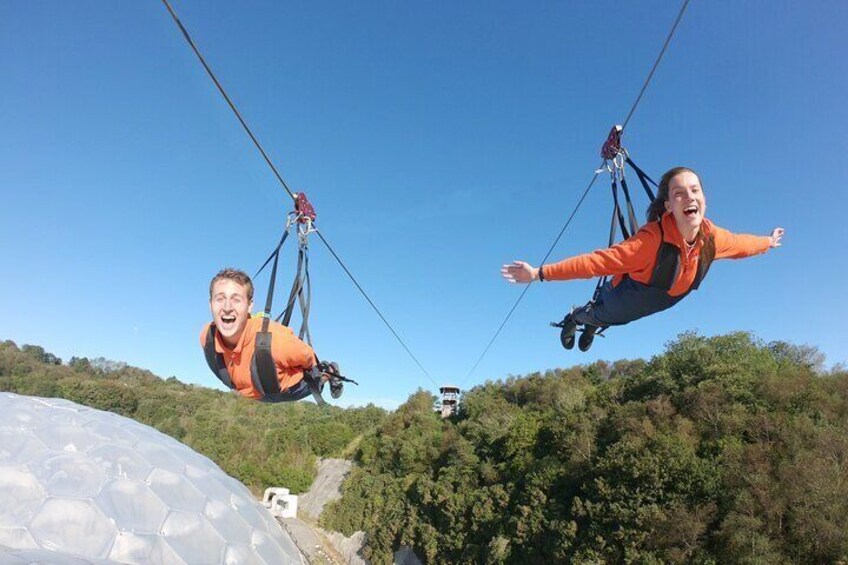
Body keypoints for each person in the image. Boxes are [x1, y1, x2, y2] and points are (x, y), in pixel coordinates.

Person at [501, 167, 785, 351]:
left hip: (650, 305)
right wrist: (538, 273)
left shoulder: (711, 238)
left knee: (615, 321)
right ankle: (575, 318)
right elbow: (594, 263)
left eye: (695, 190)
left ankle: (592, 323)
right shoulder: (649, 243)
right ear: (669, 205)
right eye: (679, 193)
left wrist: (768, 242)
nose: (689, 197)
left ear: (704, 198)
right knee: (600, 314)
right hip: (622, 298)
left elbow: (741, 244)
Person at [200, 268, 343, 401]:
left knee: (316, 378)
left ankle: (330, 371)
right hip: (254, 391)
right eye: (220, 299)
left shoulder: (278, 342)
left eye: (236, 299)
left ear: (249, 306)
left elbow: (308, 358)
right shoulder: (207, 337)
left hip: (287, 389)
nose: (227, 307)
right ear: (210, 304)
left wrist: (315, 370)